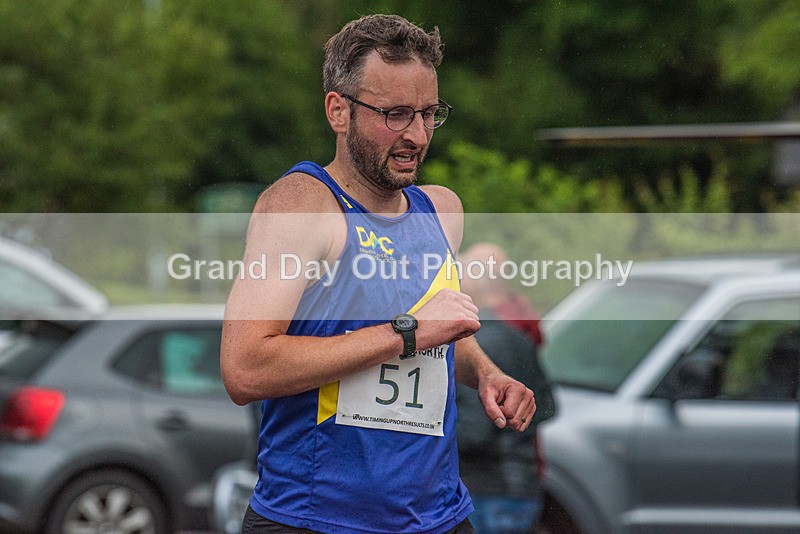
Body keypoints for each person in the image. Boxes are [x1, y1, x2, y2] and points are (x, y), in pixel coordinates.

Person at [220, 14, 536, 534]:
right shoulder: (303, 206)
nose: (416, 134)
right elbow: (245, 369)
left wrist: (485, 374)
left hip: (439, 517)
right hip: (317, 519)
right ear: (338, 110)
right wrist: (406, 333)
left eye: (429, 114)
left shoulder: (441, 211)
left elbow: (439, 326)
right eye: (395, 114)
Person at [456, 243, 557, 534]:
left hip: (486, 489)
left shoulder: (477, 344)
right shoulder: (519, 334)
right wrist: (517, 428)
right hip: (524, 484)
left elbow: (474, 431)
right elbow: (548, 405)